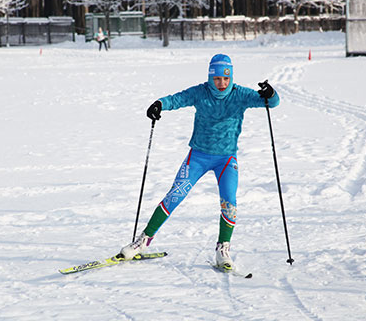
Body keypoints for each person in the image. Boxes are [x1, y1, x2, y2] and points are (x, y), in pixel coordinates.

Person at [120, 54, 280, 269]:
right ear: (210, 77)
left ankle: (223, 248)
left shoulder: (240, 94)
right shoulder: (200, 92)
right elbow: (177, 99)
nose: (221, 84)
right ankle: (143, 241)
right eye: (217, 79)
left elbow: (272, 102)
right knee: (175, 194)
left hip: (226, 158)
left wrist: (270, 93)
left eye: (226, 79)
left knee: (229, 203)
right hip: (198, 156)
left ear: (231, 77)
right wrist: (159, 104)